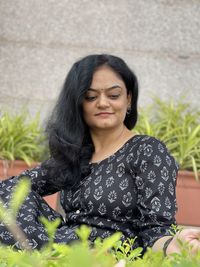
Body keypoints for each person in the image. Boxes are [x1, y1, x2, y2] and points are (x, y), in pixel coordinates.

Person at [0, 54, 200, 255]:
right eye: (91, 96)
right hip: (67, 248)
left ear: (128, 99)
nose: (103, 103)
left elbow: (155, 229)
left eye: (113, 95)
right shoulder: (74, 155)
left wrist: (172, 245)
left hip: (111, 254)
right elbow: (13, 188)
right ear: (78, 103)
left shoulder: (147, 150)